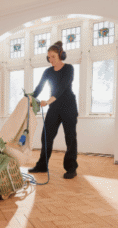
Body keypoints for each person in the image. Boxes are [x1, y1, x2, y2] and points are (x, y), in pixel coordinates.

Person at [28, 41, 78, 179]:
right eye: (49, 57)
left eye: (53, 57)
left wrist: (48, 101)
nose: (51, 60)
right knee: (46, 136)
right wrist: (29, 98)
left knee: (70, 138)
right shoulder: (48, 71)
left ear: (61, 55)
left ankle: (71, 168)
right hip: (54, 108)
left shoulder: (69, 69)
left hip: (68, 107)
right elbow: (39, 88)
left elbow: (62, 87)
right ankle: (42, 165)